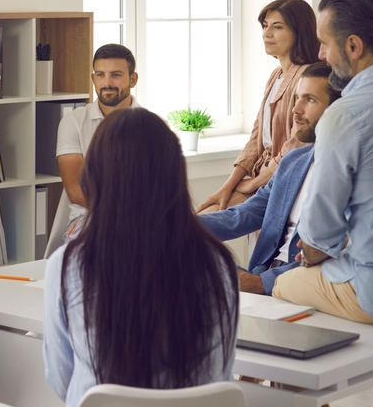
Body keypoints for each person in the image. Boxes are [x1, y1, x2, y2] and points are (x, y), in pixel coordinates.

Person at [44, 109, 237, 406]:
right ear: (175, 174)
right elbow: (220, 375)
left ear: (94, 176)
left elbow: (61, 377)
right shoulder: (218, 263)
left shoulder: (67, 265)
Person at [273, 0, 373, 326]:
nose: (321, 54)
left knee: (282, 287)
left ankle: (304, 377)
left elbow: (318, 234)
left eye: (325, 44)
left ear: (354, 46)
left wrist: (316, 249)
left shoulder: (346, 114)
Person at [199, 62, 341, 295]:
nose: (296, 109)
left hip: (299, 283)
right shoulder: (294, 161)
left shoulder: (353, 173)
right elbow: (247, 213)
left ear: (338, 109)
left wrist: (259, 284)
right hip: (260, 272)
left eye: (310, 100)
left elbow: (337, 253)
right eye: (296, 98)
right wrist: (181, 224)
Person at [199, 0, 320, 213]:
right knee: (199, 218)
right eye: (265, 26)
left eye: (277, 27)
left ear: (299, 31)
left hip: (281, 178)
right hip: (260, 174)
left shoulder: (308, 76)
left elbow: (297, 144)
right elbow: (256, 138)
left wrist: (255, 183)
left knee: (199, 226)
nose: (266, 33)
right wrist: (228, 186)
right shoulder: (276, 75)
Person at [53, 44, 141, 232]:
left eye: (116, 75)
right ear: (93, 78)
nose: (107, 82)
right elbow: (76, 191)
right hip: (88, 219)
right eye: (100, 75)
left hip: (142, 220)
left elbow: (163, 187)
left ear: (133, 79)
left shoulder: (154, 126)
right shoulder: (73, 122)